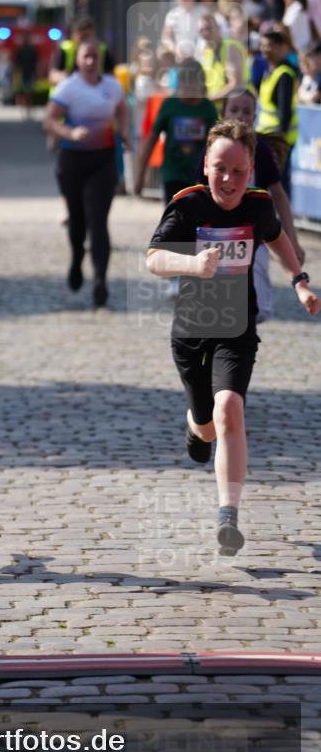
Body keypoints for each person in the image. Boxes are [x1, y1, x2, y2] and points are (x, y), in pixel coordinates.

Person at [146, 119, 319, 556]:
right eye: (220, 168)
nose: (228, 179)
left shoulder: (258, 206)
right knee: (207, 427)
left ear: (251, 172)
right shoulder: (188, 204)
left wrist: (299, 280)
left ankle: (228, 515)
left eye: (238, 171)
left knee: (230, 410)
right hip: (191, 331)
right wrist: (192, 264)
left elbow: (279, 240)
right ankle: (195, 425)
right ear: (206, 164)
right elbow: (153, 259)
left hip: (236, 329)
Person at [197, 86, 305, 321]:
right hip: (218, 234)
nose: (240, 116)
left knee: (259, 308)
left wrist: (293, 240)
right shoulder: (213, 149)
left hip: (255, 236)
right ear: (223, 113)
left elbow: (279, 195)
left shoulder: (261, 150)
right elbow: (198, 196)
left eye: (246, 112)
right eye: (234, 109)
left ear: (254, 117)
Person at [43, 38, 131, 308]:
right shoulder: (69, 87)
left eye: (95, 56)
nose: (91, 61)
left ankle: (100, 279)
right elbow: (49, 119)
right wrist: (70, 132)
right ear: (78, 60)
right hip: (73, 161)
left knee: (98, 219)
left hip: (103, 160)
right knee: (78, 221)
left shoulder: (112, 86)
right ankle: (77, 256)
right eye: (86, 57)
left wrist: (124, 132)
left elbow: (122, 109)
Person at [134, 58, 217, 203]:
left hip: (199, 176)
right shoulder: (170, 105)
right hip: (172, 174)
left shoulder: (208, 108)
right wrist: (140, 176)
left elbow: (216, 144)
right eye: (184, 80)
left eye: (193, 80)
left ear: (201, 82)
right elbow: (151, 140)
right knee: (174, 214)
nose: (188, 85)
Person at [255, 29, 299, 194]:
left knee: (278, 184)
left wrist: (280, 139)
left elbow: (284, 112)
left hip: (278, 139)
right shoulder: (269, 71)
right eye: (262, 45)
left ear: (281, 47)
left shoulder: (284, 74)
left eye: (269, 45)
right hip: (266, 136)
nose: (264, 49)